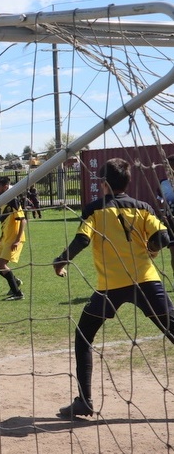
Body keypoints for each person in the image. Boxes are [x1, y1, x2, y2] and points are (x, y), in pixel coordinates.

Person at [52, 158, 174, 418]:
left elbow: (82, 240)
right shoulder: (143, 207)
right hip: (147, 282)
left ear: (104, 183)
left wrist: (60, 261)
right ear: (127, 181)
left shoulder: (94, 210)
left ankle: (85, 400)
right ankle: (82, 401)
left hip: (111, 288)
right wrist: (151, 249)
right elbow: (163, 237)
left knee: (84, 336)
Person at [0, 176, 26, 301]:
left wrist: (18, 239)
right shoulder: (3, 200)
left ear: (5, 187)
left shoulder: (13, 200)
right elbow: (6, 223)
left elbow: (23, 220)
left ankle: (17, 293)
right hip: (5, 239)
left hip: (13, 239)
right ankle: (15, 281)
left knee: (1, 264)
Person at [158, 154, 174, 275]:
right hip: (171, 223)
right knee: (173, 252)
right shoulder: (163, 183)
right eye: (167, 167)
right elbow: (163, 201)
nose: (169, 170)